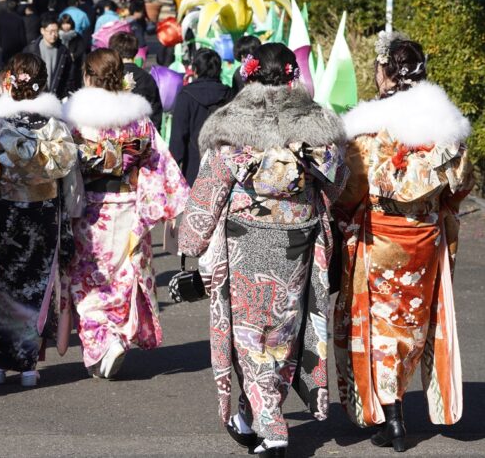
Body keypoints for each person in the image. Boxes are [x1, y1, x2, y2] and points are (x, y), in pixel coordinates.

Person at [178, 43, 347, 458]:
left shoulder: (232, 124)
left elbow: (209, 192)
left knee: (251, 335)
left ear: (250, 75)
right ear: (293, 76)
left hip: (246, 243)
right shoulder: (316, 123)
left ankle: (273, 430)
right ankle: (247, 413)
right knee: (283, 333)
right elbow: (338, 181)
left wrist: (191, 243)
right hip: (297, 242)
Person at [333, 35, 473, 452]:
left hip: (381, 234)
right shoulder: (444, 120)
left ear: (388, 72)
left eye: (379, 69)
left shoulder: (372, 124)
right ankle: (397, 405)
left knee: (380, 324)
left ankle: (391, 415)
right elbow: (461, 184)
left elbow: (353, 185)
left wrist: (341, 213)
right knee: (414, 321)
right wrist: (433, 204)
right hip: (424, 237)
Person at [60, 49, 189, 379]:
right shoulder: (138, 120)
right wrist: (170, 205)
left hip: (89, 210)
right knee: (121, 279)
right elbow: (160, 163)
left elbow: (62, 162)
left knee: (86, 282)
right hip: (129, 207)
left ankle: (103, 341)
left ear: (89, 77)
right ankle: (116, 336)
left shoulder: (76, 118)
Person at [0, 53, 77, 387]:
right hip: (43, 211)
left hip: (7, 211)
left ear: (10, 81)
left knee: (1, 285)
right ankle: (28, 365)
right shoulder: (54, 124)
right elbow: (65, 166)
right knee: (37, 287)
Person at [169, 48, 236, 185]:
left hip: (193, 168)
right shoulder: (229, 95)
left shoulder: (186, 96)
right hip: (224, 168)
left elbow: (178, 138)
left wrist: (171, 171)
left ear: (195, 69)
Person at [108, 31, 162, 130]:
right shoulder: (147, 78)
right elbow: (156, 110)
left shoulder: (110, 76)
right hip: (142, 134)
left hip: (114, 135)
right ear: (136, 51)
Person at [23, 15, 76, 99]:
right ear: (42, 31)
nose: (54, 35)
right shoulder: (31, 50)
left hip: (57, 97)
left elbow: (69, 74)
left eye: (56, 31)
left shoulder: (63, 51)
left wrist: (67, 92)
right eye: (50, 31)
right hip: (35, 97)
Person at [0, 1, 28, 67]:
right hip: (17, 46)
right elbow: (22, 34)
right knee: (16, 64)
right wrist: (24, 45)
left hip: (5, 44)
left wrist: (0, 43)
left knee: (6, 64)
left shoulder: (1, 18)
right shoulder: (19, 19)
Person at [59, 14, 86, 88]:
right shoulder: (57, 36)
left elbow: (81, 49)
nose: (66, 26)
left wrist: (73, 55)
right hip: (60, 61)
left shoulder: (76, 36)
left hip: (73, 63)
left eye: (68, 23)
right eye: (64, 23)